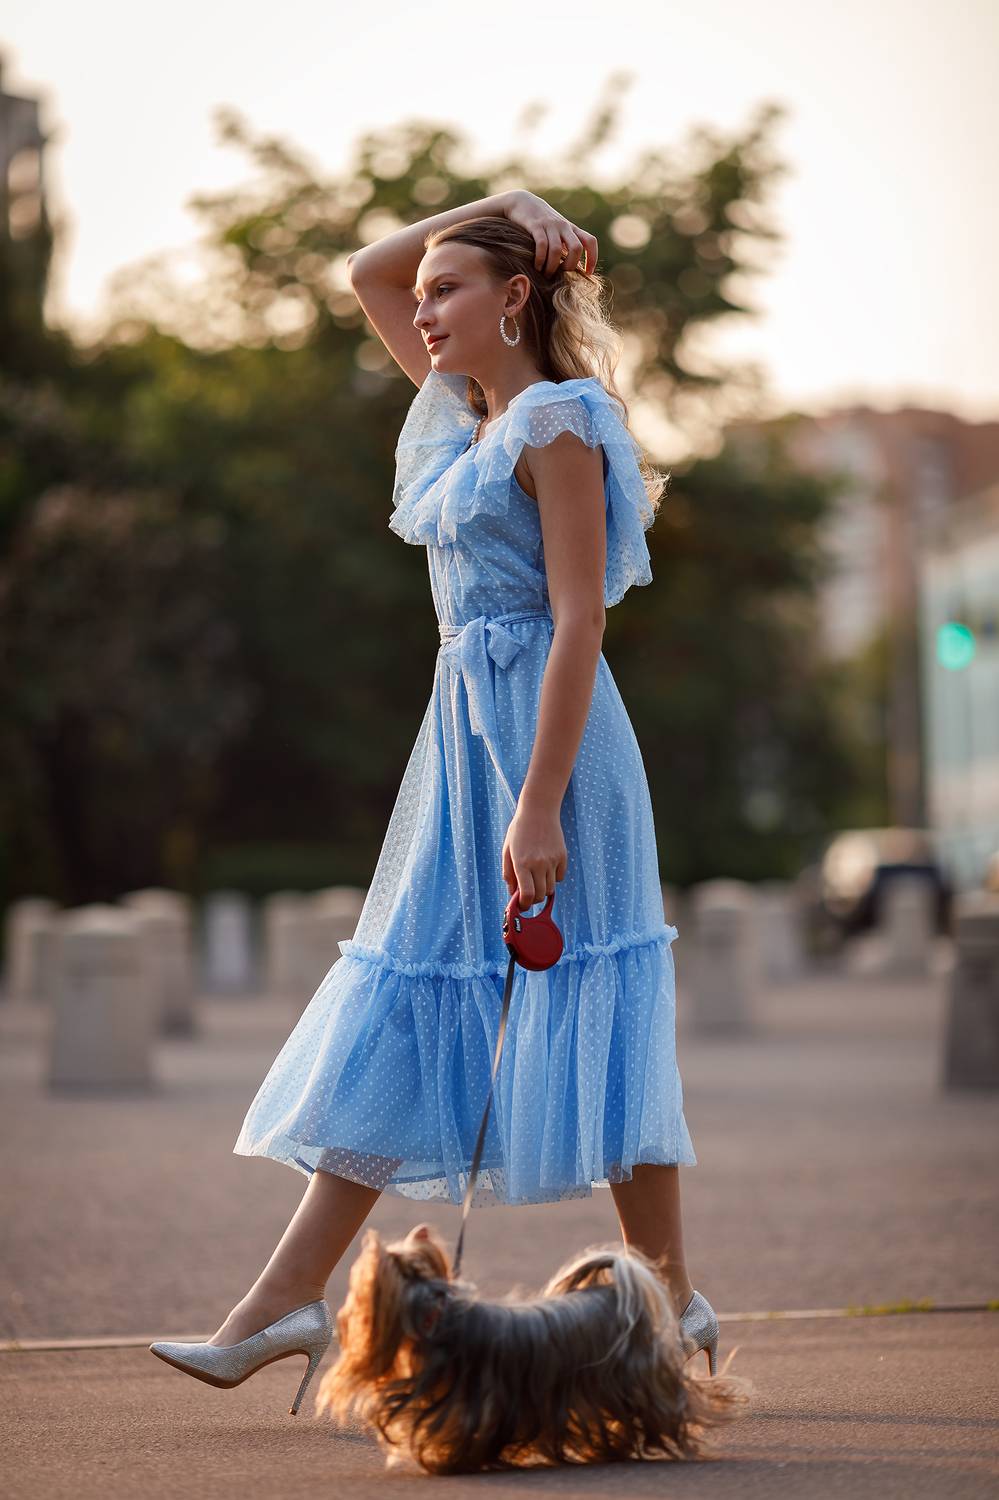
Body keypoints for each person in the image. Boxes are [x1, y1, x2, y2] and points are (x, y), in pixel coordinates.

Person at [152, 188, 718, 1391]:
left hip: (551, 752)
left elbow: (579, 621)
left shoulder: (558, 419)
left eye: (450, 287)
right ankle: (278, 1307)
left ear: (516, 299)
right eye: (428, 296)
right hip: (460, 742)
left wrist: (542, 801)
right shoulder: (462, 413)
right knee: (403, 998)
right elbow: (367, 269)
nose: (421, 306)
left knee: (599, 990)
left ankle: (670, 1299)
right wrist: (501, 200)